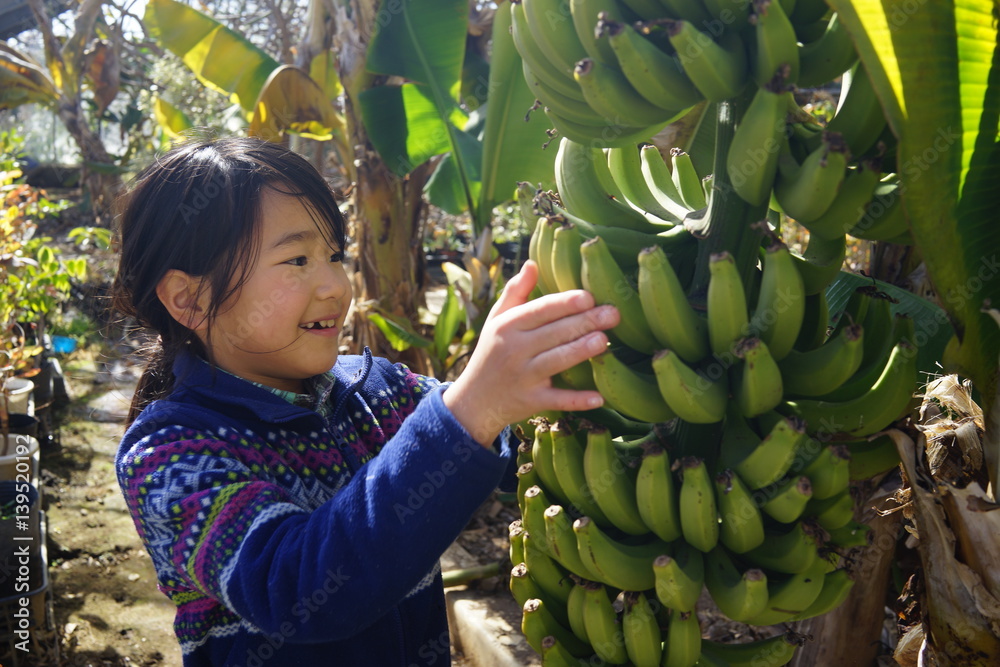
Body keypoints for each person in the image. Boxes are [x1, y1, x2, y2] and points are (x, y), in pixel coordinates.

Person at [111, 136, 619, 666]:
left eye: (334, 255)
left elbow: (507, 443)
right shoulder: (170, 455)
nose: (335, 285)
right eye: (297, 259)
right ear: (190, 299)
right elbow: (300, 593)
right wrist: (470, 408)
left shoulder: (378, 391)